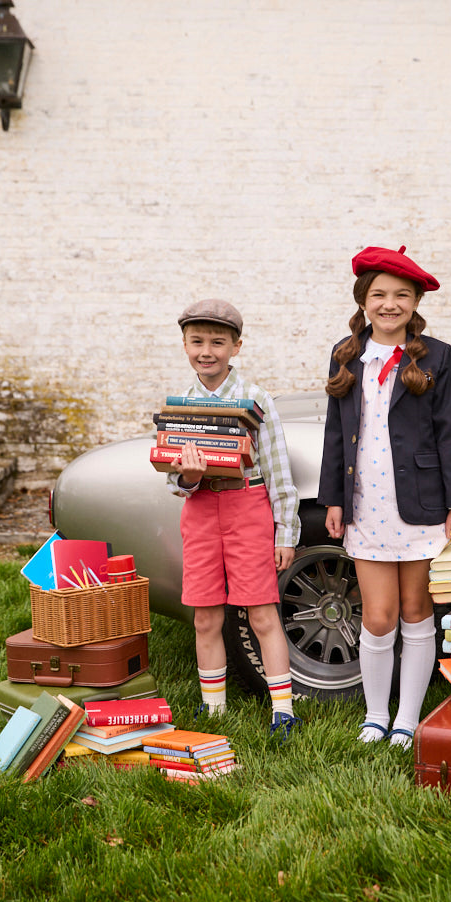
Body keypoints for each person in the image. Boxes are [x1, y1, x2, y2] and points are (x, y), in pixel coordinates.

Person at [318, 246, 451, 749]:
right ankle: (375, 714)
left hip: (423, 504)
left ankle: (407, 717)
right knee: (378, 614)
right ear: (364, 300)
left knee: (416, 610)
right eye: (379, 294)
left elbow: (450, 433)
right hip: (367, 505)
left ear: (415, 302)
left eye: (401, 296)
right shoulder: (346, 354)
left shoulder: (437, 356)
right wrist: (333, 501)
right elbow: (335, 434)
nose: (389, 304)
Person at [166, 299, 301, 741]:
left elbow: (279, 470)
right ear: (185, 344)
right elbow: (173, 478)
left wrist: (287, 531)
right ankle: (215, 711)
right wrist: (187, 476)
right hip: (202, 509)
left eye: (218, 342)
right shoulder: (180, 404)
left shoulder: (255, 399)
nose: (207, 351)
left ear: (236, 347)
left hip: (248, 506)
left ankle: (283, 710)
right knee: (205, 617)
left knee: (262, 612)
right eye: (197, 341)